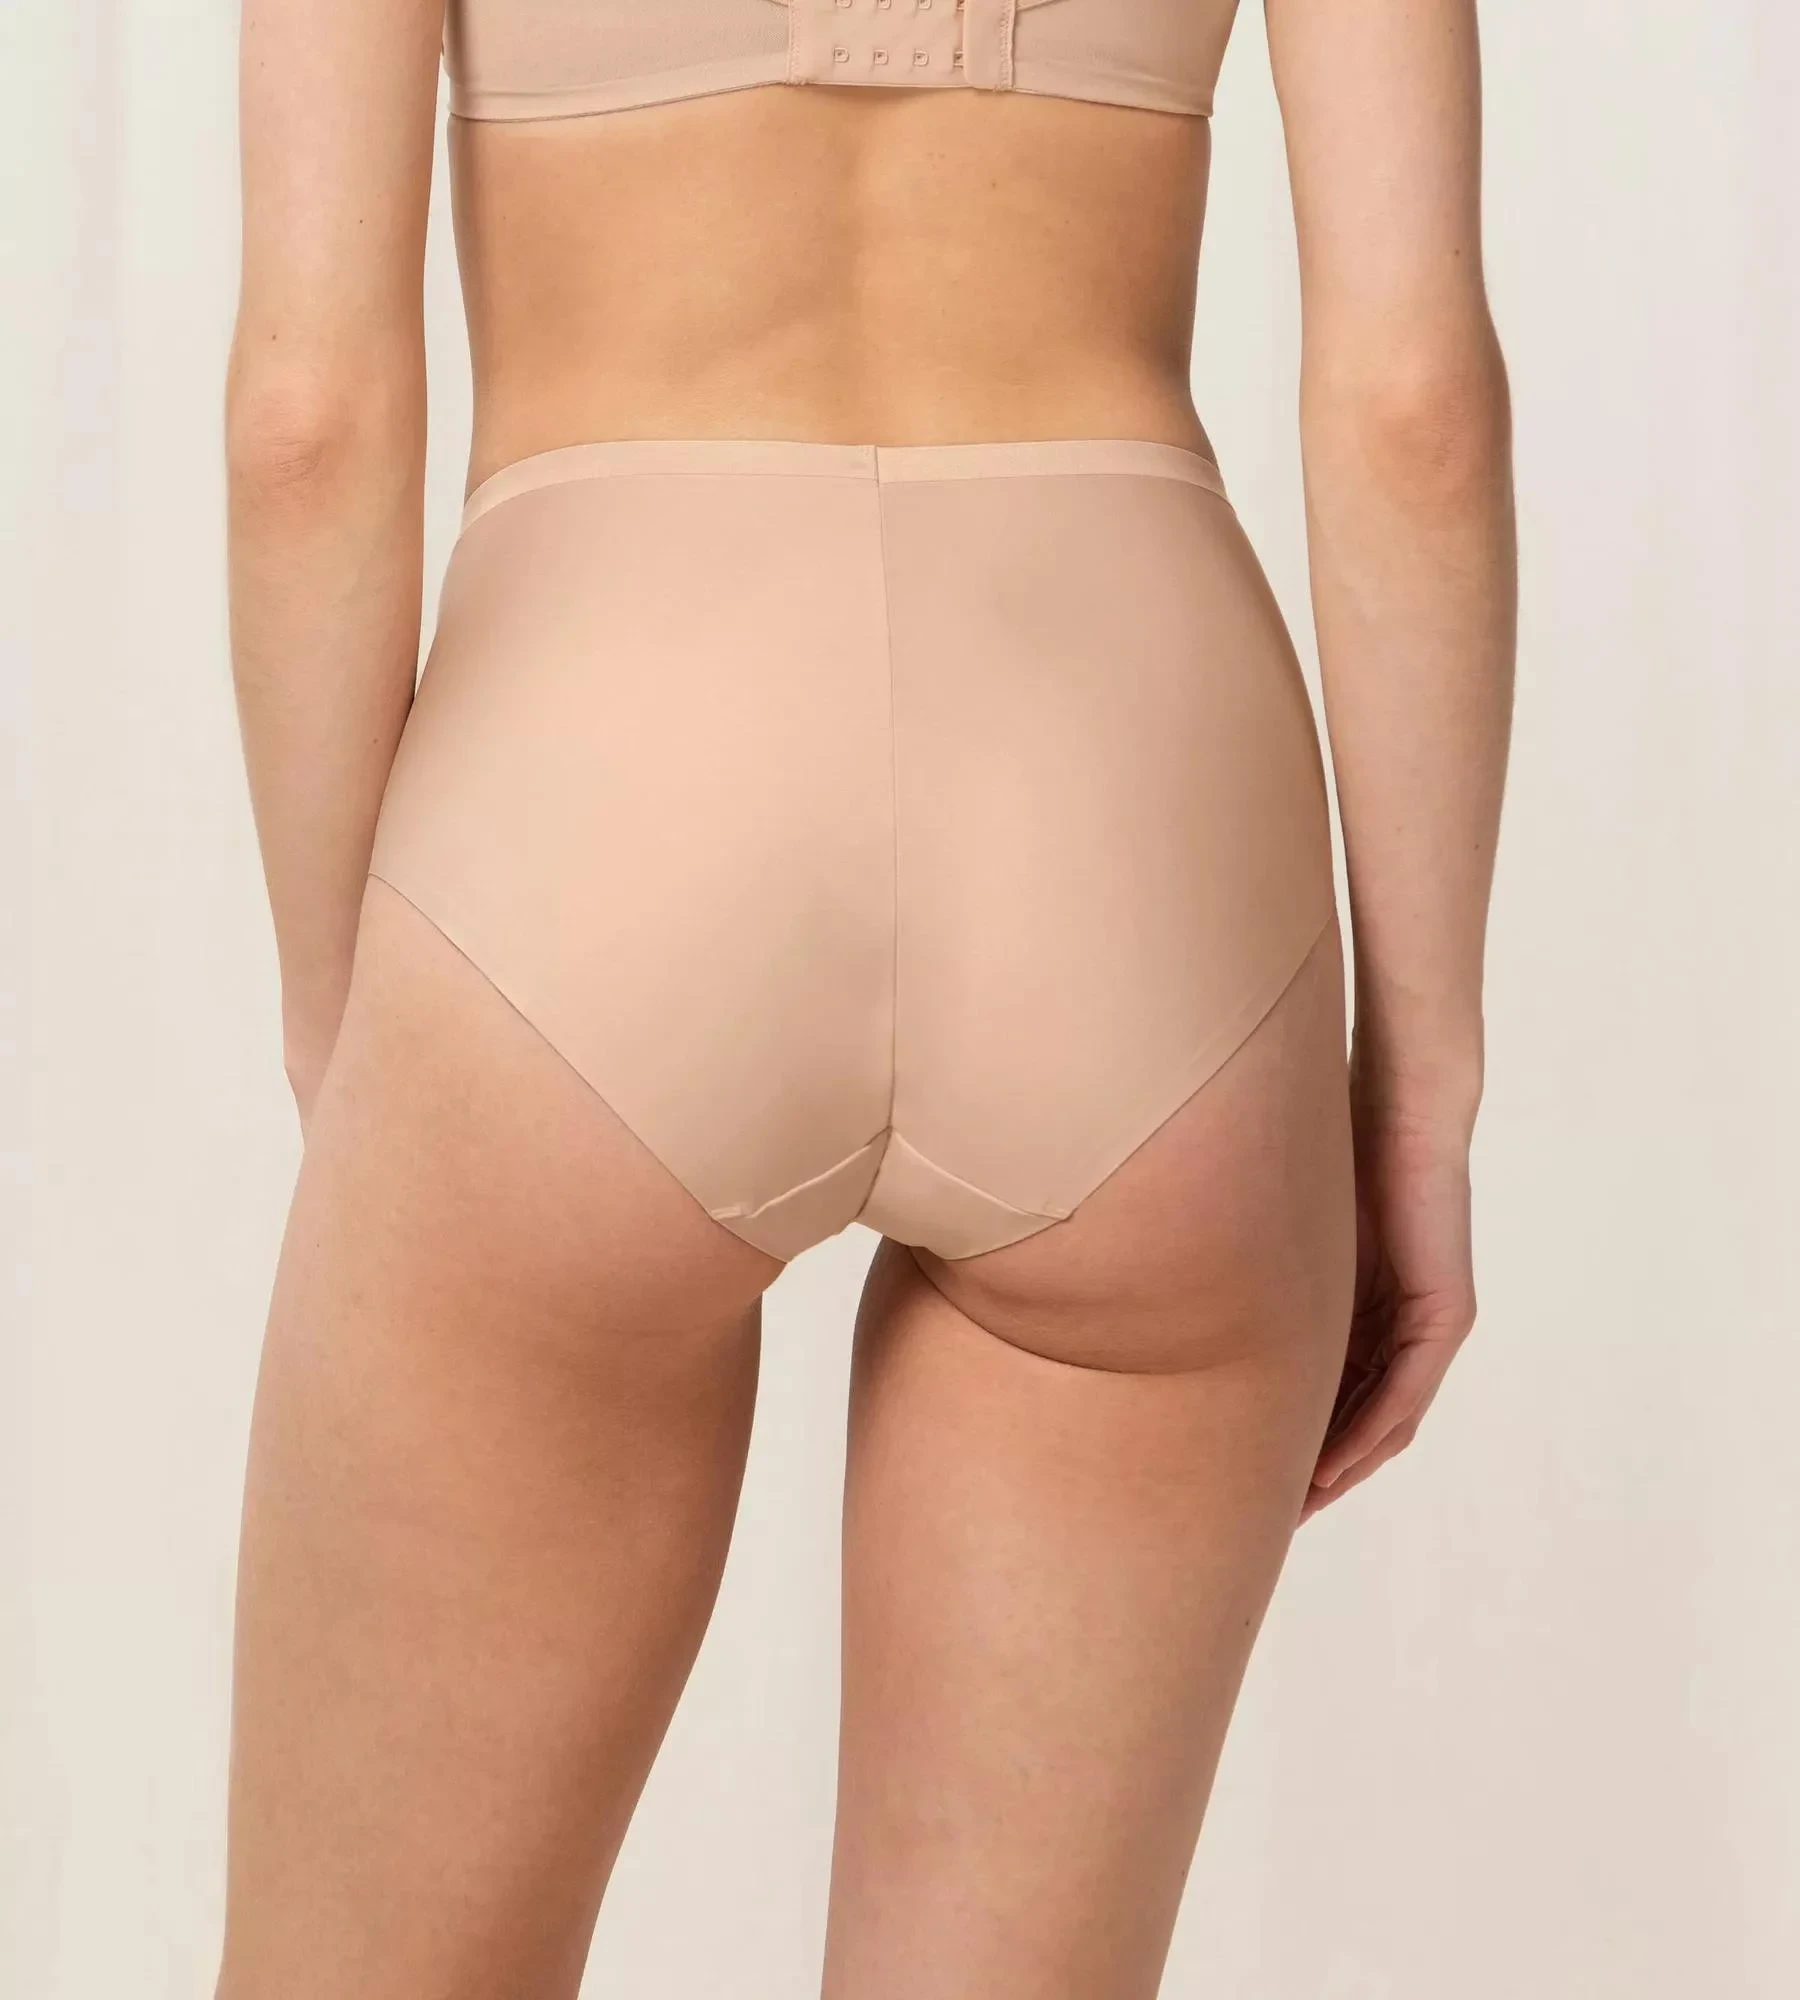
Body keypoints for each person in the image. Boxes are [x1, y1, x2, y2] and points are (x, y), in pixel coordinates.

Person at [218, 0, 1514, 1991]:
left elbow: (308, 419)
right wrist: (1418, 1089)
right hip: (1135, 843)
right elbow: (1416, 401)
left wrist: (356, 1014)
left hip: (589, 833)